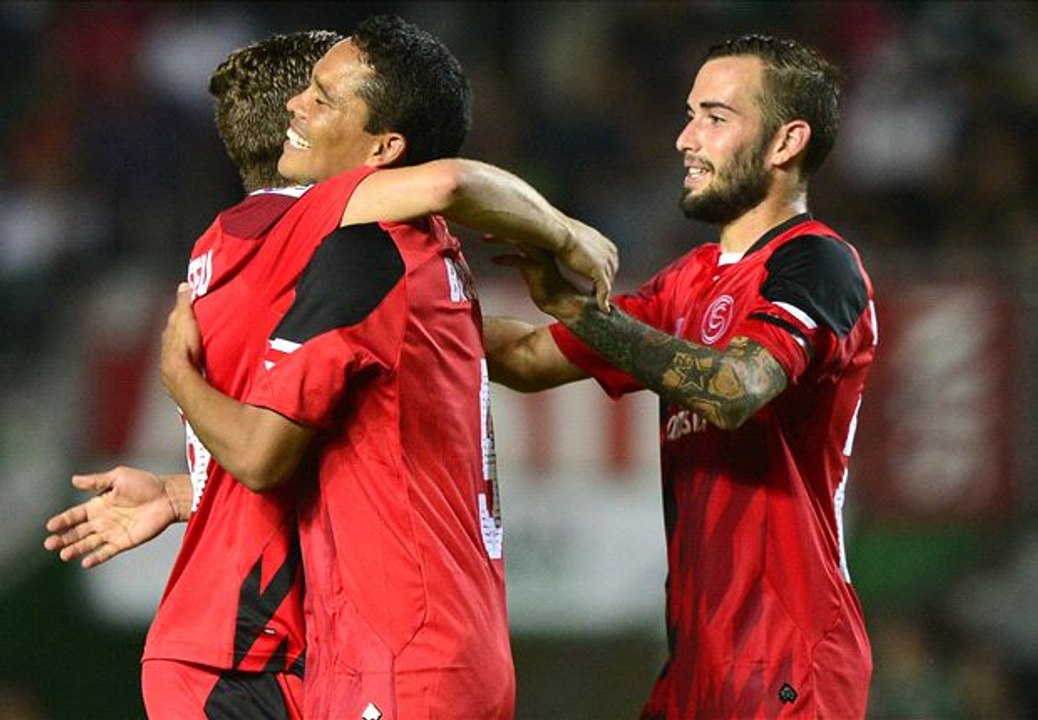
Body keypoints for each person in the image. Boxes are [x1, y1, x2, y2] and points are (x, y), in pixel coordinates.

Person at [49, 15, 616, 720]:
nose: (302, 107)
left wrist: (180, 444)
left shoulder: (327, 253)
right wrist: (576, 246)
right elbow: (456, 195)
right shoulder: (334, 240)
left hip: (326, 645)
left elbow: (481, 335)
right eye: (308, 91)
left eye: (322, 97)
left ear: (381, 142)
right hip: (263, 645)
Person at [484, 35, 876, 718]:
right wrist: (394, 311)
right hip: (698, 661)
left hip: (788, 660)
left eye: (715, 118)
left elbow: (734, 390)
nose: (685, 139)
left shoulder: (818, 264)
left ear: (786, 142)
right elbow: (522, 358)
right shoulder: (685, 283)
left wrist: (580, 310)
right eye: (691, 115)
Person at [44, 29, 342, 720]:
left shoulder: (229, 244)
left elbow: (287, 450)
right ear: (304, 118)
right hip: (246, 651)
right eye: (344, 94)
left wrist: (185, 493)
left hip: (254, 640)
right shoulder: (305, 240)